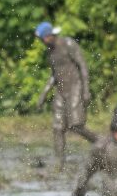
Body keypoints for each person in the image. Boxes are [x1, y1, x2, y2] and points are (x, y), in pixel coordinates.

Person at [33, 21, 92, 164]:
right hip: (60, 90)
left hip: (75, 87)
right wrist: (44, 94)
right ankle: (59, 161)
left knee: (76, 125)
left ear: (49, 36)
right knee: (57, 127)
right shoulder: (50, 52)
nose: (43, 42)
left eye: (44, 39)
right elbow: (54, 74)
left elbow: (82, 66)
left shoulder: (68, 44)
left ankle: (101, 143)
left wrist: (86, 90)